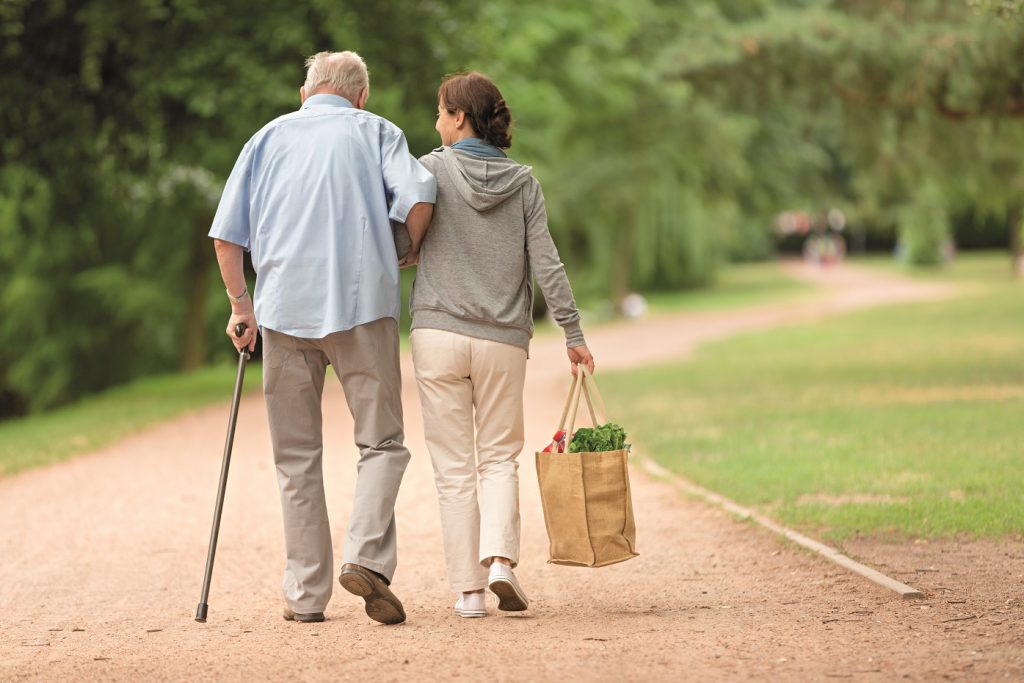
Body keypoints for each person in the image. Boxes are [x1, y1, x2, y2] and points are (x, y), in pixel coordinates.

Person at [209, 51, 435, 625]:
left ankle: (306, 597)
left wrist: (242, 306)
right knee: (382, 443)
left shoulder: (265, 138)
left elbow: (226, 238)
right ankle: (365, 557)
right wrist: (404, 250)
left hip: (284, 313)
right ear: (359, 95)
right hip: (362, 308)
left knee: (296, 458)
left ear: (306, 90)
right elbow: (420, 197)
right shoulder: (378, 132)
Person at [409, 72, 595, 618]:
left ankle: (468, 593)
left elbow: (402, 239)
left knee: (452, 466)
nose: (437, 122)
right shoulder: (524, 184)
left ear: (461, 118)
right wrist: (573, 332)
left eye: (442, 112)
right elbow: (548, 265)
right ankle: (500, 564)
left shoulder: (430, 170)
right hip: (502, 342)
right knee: (497, 458)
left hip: (438, 333)